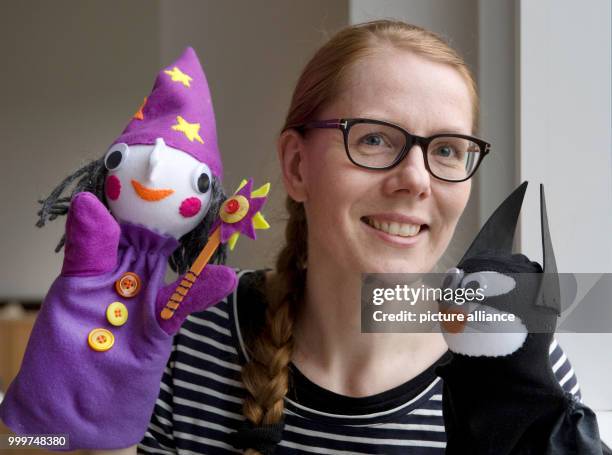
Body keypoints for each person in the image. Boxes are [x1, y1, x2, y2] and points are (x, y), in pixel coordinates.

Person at [103, 19, 580, 454]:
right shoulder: (187, 341)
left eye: (449, 150)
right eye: (373, 138)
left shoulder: (511, 358)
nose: (416, 180)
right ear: (297, 166)